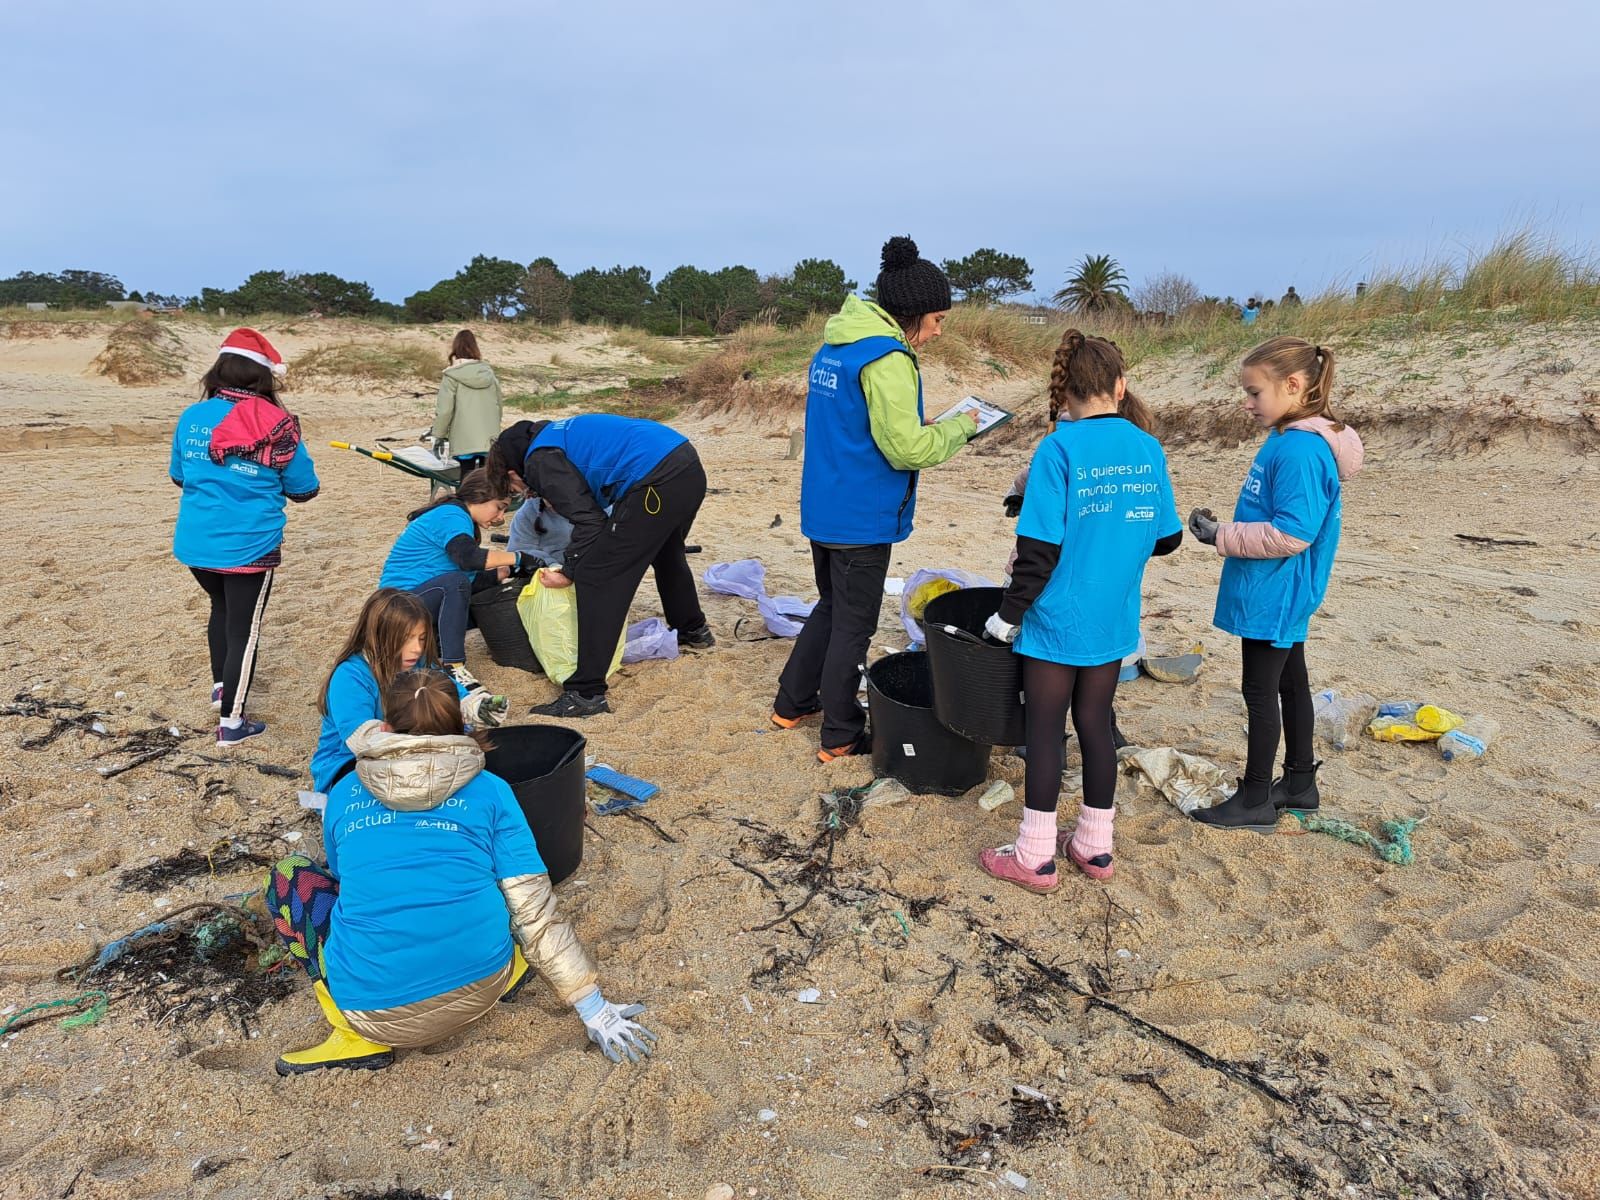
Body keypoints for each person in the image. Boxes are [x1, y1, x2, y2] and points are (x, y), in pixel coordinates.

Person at [268, 668, 655, 1074]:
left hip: (373, 1011)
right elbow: (534, 906)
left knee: (289, 875)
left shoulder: (345, 791)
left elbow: (346, 877)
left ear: (383, 726)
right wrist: (593, 1007)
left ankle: (351, 1036)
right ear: (459, 725)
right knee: (495, 874)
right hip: (486, 983)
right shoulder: (492, 790)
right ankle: (502, 965)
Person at [979, 332, 1181, 892]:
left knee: (1044, 731)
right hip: (1112, 618)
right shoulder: (1147, 447)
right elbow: (1167, 538)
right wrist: (1118, 533)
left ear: (1064, 392)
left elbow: (1039, 551)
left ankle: (1035, 856)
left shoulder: (1058, 450)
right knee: (1095, 725)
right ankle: (1094, 847)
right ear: (1120, 387)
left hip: (1056, 618)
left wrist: (1006, 616)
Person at [771, 236, 977, 762]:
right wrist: (960, 430)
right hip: (861, 517)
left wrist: (917, 423)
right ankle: (840, 732)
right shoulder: (887, 358)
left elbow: (852, 424)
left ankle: (791, 701)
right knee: (854, 625)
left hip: (824, 507)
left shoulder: (835, 346)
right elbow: (906, 449)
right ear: (911, 315)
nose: (937, 331)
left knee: (831, 607)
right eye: (936, 320)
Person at [1187, 337, 1364, 830]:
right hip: (1279, 587)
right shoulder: (1288, 440)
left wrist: (1221, 535)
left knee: (1260, 690)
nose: (1246, 403)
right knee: (1291, 682)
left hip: (1277, 590)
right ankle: (1301, 783)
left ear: (1293, 385)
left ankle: (1256, 796)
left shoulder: (1302, 450)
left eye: (1254, 392)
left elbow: (1293, 531)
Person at [485, 414, 713, 717]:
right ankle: (693, 630)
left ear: (513, 470)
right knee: (666, 553)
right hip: (686, 465)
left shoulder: (539, 460)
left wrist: (569, 570)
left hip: (655, 478)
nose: (525, 494)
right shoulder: (555, 435)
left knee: (596, 576)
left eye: (515, 487)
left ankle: (586, 693)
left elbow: (591, 522)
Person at [170, 328, 319, 747]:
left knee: (221, 609)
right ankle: (232, 724)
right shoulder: (277, 424)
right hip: (248, 544)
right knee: (245, 631)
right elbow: (305, 489)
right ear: (264, 376)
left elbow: (179, 475)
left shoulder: (191, 416)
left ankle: (222, 687)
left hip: (197, 542)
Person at [310, 589, 506, 797]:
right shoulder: (350, 676)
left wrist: (480, 709)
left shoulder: (421, 665)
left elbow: (455, 700)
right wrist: (418, 741)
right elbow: (363, 740)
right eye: (406, 639)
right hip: (351, 764)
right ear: (378, 637)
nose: (416, 649)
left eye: (421, 638)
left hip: (415, 754)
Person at [377, 469, 527, 690]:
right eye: (500, 507)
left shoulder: (461, 520)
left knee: (487, 598)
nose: (500, 518)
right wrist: (519, 557)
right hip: (396, 607)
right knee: (455, 583)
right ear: (480, 496)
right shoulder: (451, 515)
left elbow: (469, 579)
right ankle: (454, 665)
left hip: (420, 600)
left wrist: (505, 572)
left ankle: (434, 646)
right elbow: (468, 558)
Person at [430, 329, 504, 471]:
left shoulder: (451, 376)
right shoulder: (489, 374)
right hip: (489, 438)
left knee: (467, 479)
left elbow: (445, 411)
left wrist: (438, 435)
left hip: (464, 439)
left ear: (455, 348)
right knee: (486, 479)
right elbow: (499, 406)